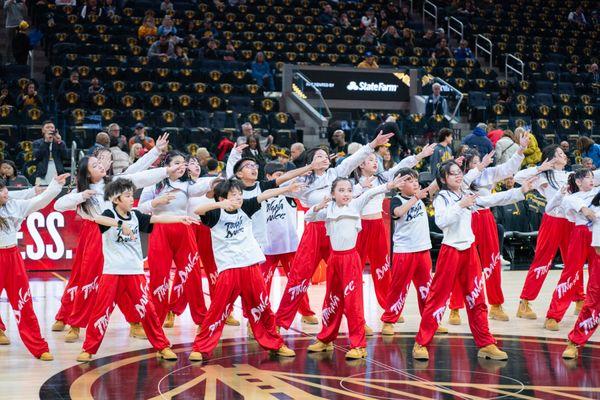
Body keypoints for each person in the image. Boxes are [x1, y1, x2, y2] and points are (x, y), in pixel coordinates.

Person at [412, 160, 535, 361]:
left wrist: (520, 191)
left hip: (469, 252)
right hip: (450, 251)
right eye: (452, 174)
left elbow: (493, 200)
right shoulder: (442, 198)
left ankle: (486, 343)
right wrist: (461, 205)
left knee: (477, 299)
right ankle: (421, 343)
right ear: (443, 179)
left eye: (459, 172)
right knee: (437, 300)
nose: (458, 176)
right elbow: (441, 222)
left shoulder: (466, 194)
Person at [51, 135, 171, 340]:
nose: (104, 164)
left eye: (104, 161)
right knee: (86, 280)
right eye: (98, 162)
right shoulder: (81, 191)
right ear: (86, 172)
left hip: (117, 233)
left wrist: (162, 163)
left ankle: (134, 321)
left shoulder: (114, 182)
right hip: (94, 235)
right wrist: (81, 196)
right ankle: (75, 324)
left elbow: (138, 176)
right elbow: (58, 206)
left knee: (123, 279)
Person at [275, 131, 394, 331]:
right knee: (299, 276)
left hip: (336, 231)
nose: (324, 158)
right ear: (310, 161)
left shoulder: (336, 174)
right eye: (319, 156)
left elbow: (355, 159)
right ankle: (280, 322)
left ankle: (356, 321)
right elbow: (279, 183)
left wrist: (372, 143)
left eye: (325, 155)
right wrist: (306, 169)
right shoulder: (304, 180)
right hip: (314, 231)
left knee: (345, 279)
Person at [76, 178, 193, 363]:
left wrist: (179, 218)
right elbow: (97, 218)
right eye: (128, 196)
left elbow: (158, 218)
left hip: (134, 273)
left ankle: (162, 346)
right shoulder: (108, 214)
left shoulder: (136, 215)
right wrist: (121, 225)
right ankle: (88, 349)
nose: (132, 199)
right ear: (116, 199)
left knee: (148, 311)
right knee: (101, 312)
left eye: (132, 195)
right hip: (112, 273)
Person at [189, 179, 301, 361]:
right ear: (223, 197)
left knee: (263, 307)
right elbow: (197, 210)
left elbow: (263, 195)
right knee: (218, 310)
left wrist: (288, 188)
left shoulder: (246, 207)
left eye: (240, 194)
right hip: (229, 268)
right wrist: (220, 204)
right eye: (234, 194)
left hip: (250, 265)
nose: (239, 197)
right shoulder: (215, 214)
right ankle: (201, 347)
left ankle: (275, 344)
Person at [305, 175, 408, 359]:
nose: (346, 194)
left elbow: (370, 193)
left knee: (353, 303)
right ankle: (325, 339)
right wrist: (318, 206)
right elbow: (308, 216)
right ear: (332, 193)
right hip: (334, 260)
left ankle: (358, 345)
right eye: (341, 190)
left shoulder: (355, 205)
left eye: (349, 190)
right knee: (331, 300)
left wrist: (388, 185)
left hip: (350, 260)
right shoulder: (328, 209)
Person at [447, 134, 528, 325]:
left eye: (479, 161)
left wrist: (521, 150)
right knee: (462, 265)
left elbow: (508, 168)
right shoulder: (461, 180)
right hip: (465, 220)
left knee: (492, 261)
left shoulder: (488, 173)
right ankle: (455, 308)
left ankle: (496, 304)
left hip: (485, 219)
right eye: (474, 162)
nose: (479, 165)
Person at [352, 144, 436, 315]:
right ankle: (357, 315)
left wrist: (420, 155)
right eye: (371, 160)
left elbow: (401, 168)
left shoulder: (382, 178)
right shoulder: (352, 183)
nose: (376, 163)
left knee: (383, 270)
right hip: (358, 228)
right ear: (361, 163)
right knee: (354, 274)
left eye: (377, 160)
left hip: (377, 226)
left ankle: (389, 309)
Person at [514, 145, 590, 319]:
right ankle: (524, 303)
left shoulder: (570, 175)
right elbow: (517, 177)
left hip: (571, 222)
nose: (564, 156)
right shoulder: (543, 176)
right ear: (551, 158)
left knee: (574, 261)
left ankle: (579, 299)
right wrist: (541, 168)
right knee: (542, 261)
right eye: (560, 154)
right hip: (552, 221)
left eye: (564, 153)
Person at [138, 151, 214, 326]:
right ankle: (156, 318)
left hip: (184, 229)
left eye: (183, 163)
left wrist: (213, 181)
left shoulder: (187, 184)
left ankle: (201, 318)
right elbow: (139, 210)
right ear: (167, 165)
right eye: (177, 163)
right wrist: (156, 203)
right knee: (159, 277)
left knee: (192, 275)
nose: (182, 166)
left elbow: (199, 189)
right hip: (160, 230)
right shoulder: (153, 185)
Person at [0, 173, 69, 360]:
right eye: (1, 190)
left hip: (12, 256)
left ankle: (38, 346)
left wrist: (55, 185)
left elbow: (39, 201)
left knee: (24, 302)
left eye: (5, 188)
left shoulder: (14, 205)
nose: (6, 192)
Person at [380, 168, 447, 335]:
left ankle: (431, 321)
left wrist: (449, 166)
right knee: (398, 288)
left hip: (423, 250)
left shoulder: (420, 196)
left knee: (426, 288)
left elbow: (434, 185)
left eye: (416, 179)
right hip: (404, 251)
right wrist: (416, 198)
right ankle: (388, 320)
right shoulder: (396, 199)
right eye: (410, 180)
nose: (415, 182)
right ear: (400, 185)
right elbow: (397, 213)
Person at [543, 169, 596, 332]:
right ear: (578, 182)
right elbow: (548, 209)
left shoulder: (597, 192)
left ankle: (593, 315)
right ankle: (553, 315)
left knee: (596, 277)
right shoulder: (570, 198)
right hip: (580, 234)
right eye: (587, 177)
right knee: (571, 274)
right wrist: (560, 194)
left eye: (593, 177)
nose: (592, 180)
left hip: (598, 234)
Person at [562, 192, 600, 359]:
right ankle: (575, 341)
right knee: (593, 303)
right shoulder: (597, 213)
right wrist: (583, 208)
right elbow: (598, 248)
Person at [32, 121, 68, 185]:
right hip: (42, 171)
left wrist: (59, 142)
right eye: (47, 127)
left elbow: (65, 156)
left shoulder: (60, 142)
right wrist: (46, 142)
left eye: (52, 127)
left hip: (57, 170)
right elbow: (37, 156)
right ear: (43, 130)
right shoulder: (37, 143)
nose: (50, 129)